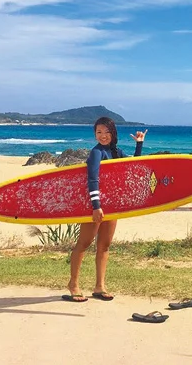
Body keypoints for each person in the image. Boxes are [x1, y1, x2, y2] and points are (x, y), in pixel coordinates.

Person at [65, 117, 147, 302]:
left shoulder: (116, 152)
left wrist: (139, 145)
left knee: (104, 246)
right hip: (95, 205)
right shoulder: (97, 153)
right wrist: (96, 207)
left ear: (113, 132)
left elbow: (133, 167)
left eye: (106, 132)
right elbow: (92, 179)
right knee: (84, 243)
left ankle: (100, 286)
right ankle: (74, 284)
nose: (102, 136)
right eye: (98, 132)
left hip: (112, 205)